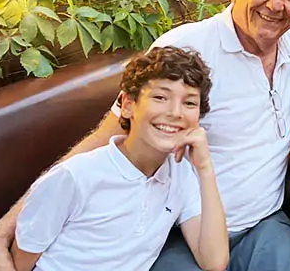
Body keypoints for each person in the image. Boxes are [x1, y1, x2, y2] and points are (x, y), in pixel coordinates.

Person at [0, 0, 290, 271]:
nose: (276, 4)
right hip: (183, 231)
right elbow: (102, 141)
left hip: (265, 224)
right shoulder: (185, 48)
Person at [12, 47, 228, 271]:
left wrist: (205, 168)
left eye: (189, 103)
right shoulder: (74, 176)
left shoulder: (180, 172)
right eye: (160, 97)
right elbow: (21, 261)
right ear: (127, 106)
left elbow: (214, 262)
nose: (175, 112)